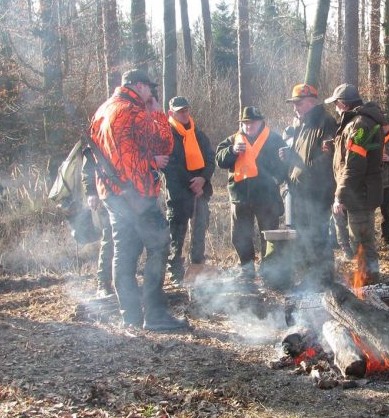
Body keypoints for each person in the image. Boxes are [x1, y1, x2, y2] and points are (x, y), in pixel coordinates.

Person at [89, 68, 188, 331]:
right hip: (137, 193)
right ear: (139, 86)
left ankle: (130, 317)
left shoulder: (102, 111)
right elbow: (166, 143)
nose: (152, 93)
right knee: (159, 245)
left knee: (124, 252)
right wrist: (156, 112)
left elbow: (113, 154)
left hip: (111, 193)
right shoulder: (133, 112)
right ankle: (155, 315)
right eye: (150, 88)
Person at [215, 106, 287, 281]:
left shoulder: (275, 140)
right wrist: (232, 151)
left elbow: (286, 163)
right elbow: (219, 159)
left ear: (262, 121)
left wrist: (277, 179)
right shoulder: (233, 140)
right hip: (241, 197)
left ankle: (269, 271)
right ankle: (246, 269)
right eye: (245, 123)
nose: (248, 126)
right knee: (240, 236)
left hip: (267, 197)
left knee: (269, 235)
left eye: (252, 122)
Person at [325, 83, 386, 283]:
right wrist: (334, 147)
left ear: (342, 104)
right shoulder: (356, 123)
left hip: (359, 195)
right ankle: (368, 283)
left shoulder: (359, 125)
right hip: (359, 193)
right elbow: (349, 158)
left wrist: (339, 196)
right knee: (361, 242)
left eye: (335, 104)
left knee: (362, 243)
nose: (335, 108)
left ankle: (369, 285)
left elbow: (355, 166)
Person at [281, 83, 338, 286]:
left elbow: (327, 159)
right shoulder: (300, 124)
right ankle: (309, 281)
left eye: (299, 103)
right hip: (299, 192)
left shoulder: (326, 123)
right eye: (293, 103)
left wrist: (300, 169)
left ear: (312, 101)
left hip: (317, 192)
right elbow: (299, 157)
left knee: (318, 238)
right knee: (303, 238)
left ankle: (325, 282)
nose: (295, 107)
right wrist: (288, 157)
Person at [163, 96, 215, 285]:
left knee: (200, 229)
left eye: (186, 110)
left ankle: (197, 268)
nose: (184, 114)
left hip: (201, 191)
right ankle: (176, 272)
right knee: (177, 233)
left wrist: (202, 179)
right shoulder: (167, 136)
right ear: (171, 113)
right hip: (178, 194)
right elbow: (170, 166)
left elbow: (210, 159)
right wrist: (191, 184)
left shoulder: (199, 135)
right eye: (180, 111)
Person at [81, 156, 113, 299]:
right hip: (108, 193)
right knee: (110, 238)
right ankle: (103, 283)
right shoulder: (98, 134)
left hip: (133, 192)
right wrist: (91, 191)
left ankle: (125, 282)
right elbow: (89, 162)